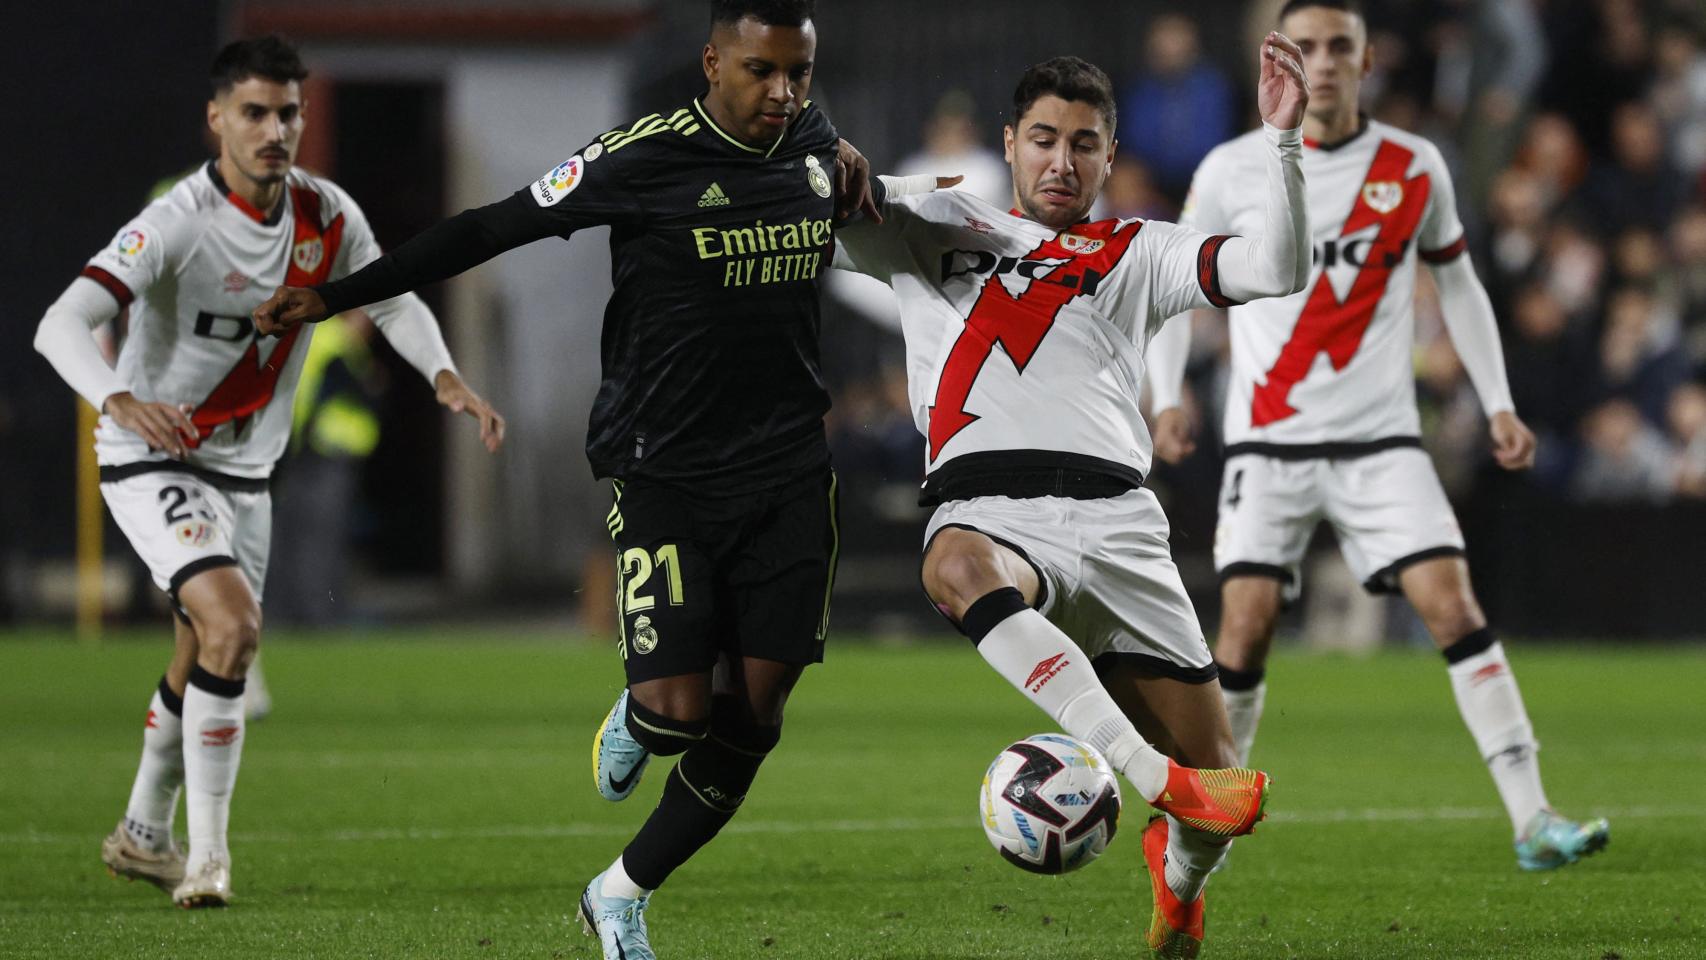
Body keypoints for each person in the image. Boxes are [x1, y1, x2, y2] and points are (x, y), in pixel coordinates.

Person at [252, 4, 876, 957]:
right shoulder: (639, 157)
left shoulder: (810, 135)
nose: (783, 94)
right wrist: (334, 297)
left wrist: (846, 147)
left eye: (800, 74)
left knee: (755, 717)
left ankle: (620, 893)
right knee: (679, 713)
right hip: (663, 468)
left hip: (790, 470)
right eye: (762, 72)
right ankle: (637, 711)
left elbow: (826, 138)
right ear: (712, 63)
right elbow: (490, 226)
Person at [834, 40, 1311, 957]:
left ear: (1107, 155)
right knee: (954, 563)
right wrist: (849, 168)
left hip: (1122, 521)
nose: (1063, 161)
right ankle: (1147, 777)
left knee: (1219, 787)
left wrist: (1283, 142)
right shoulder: (934, 226)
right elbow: (842, 195)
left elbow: (1275, 270)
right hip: (992, 505)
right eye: (1044, 139)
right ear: (1008, 144)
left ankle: (1178, 889)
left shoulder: (1137, 248)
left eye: (1084, 144)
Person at [32, 35, 506, 908]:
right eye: (254, 112)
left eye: (289, 112)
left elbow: (392, 297)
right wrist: (118, 400)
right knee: (234, 626)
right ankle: (208, 859)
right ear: (217, 119)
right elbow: (61, 322)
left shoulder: (327, 216)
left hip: (248, 473)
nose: (274, 129)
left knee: (206, 645)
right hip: (155, 457)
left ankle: (142, 832)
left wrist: (442, 373)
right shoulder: (176, 220)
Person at [1145, 0, 1610, 873]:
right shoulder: (1233, 168)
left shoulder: (1413, 164)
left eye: (1338, 47)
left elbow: (1461, 285)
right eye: (1306, 47)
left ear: (1367, 60)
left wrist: (1499, 401)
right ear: (1281, 59)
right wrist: (1166, 392)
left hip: (1382, 443)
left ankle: (1532, 816)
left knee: (1455, 608)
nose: (1322, 63)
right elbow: (1181, 283)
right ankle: (1211, 836)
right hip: (1267, 444)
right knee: (1241, 633)